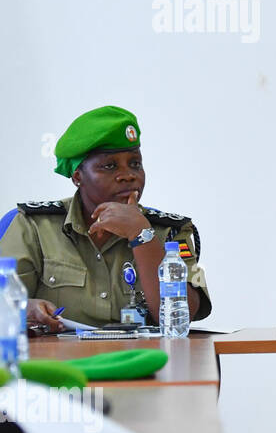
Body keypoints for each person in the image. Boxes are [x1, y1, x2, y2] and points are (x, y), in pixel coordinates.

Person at [0, 105, 211, 330]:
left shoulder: (172, 231)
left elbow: (182, 316)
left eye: (135, 164)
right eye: (109, 166)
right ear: (78, 176)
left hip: (144, 362)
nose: (128, 176)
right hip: (58, 362)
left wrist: (142, 236)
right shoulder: (33, 226)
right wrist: (24, 309)